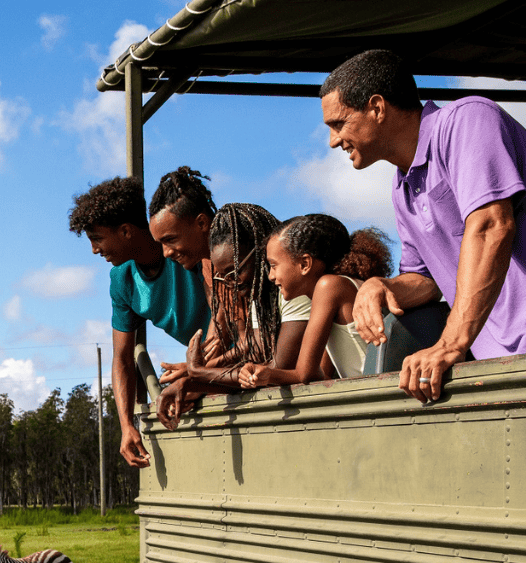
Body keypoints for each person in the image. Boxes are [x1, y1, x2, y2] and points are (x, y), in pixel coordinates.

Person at [320, 48, 526, 404]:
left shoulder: (466, 120)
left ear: (377, 108)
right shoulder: (402, 190)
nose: (333, 140)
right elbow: (426, 281)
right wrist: (381, 285)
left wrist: (450, 343)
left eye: (339, 123)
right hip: (503, 365)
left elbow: (492, 225)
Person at [68, 176, 211, 467]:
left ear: (125, 231)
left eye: (97, 238)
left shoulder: (185, 249)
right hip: (207, 365)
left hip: (236, 351)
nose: (95, 250)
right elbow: (122, 359)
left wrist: (195, 370)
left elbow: (228, 317)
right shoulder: (122, 281)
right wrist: (127, 425)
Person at [157, 203, 313, 430]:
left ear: (261, 253)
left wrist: (198, 374)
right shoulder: (257, 295)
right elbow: (257, 356)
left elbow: (274, 367)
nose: (231, 283)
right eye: (222, 278)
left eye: (235, 271)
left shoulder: (295, 292)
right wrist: (194, 382)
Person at [236, 214, 392, 391]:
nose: (271, 276)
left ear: (305, 264)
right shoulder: (336, 289)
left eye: (273, 265)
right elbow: (321, 374)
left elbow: (304, 374)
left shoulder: (329, 286)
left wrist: (265, 374)